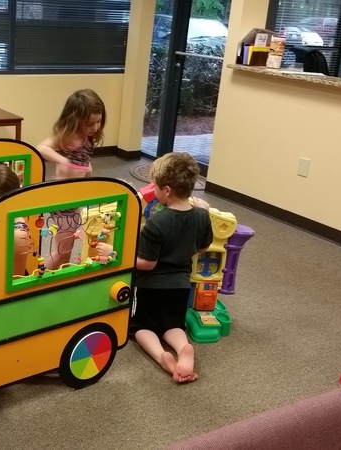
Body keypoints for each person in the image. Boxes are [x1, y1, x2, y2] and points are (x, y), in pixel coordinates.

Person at [99, 153, 212, 383]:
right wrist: (203, 213)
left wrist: (115, 254)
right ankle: (183, 348)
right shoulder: (202, 216)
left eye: (155, 186)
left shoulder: (157, 223)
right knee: (173, 325)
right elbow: (203, 247)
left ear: (167, 190)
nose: (152, 190)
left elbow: (147, 263)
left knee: (141, 328)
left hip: (150, 286)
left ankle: (161, 356)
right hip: (180, 286)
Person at [37, 88, 106, 270]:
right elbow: (41, 148)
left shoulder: (86, 136)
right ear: (75, 120)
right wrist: (62, 160)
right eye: (90, 124)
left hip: (74, 198)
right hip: (62, 198)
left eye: (98, 122)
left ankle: (61, 277)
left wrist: (87, 166)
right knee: (61, 251)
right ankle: (41, 279)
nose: (95, 127)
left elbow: (82, 157)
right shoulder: (68, 136)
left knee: (67, 247)